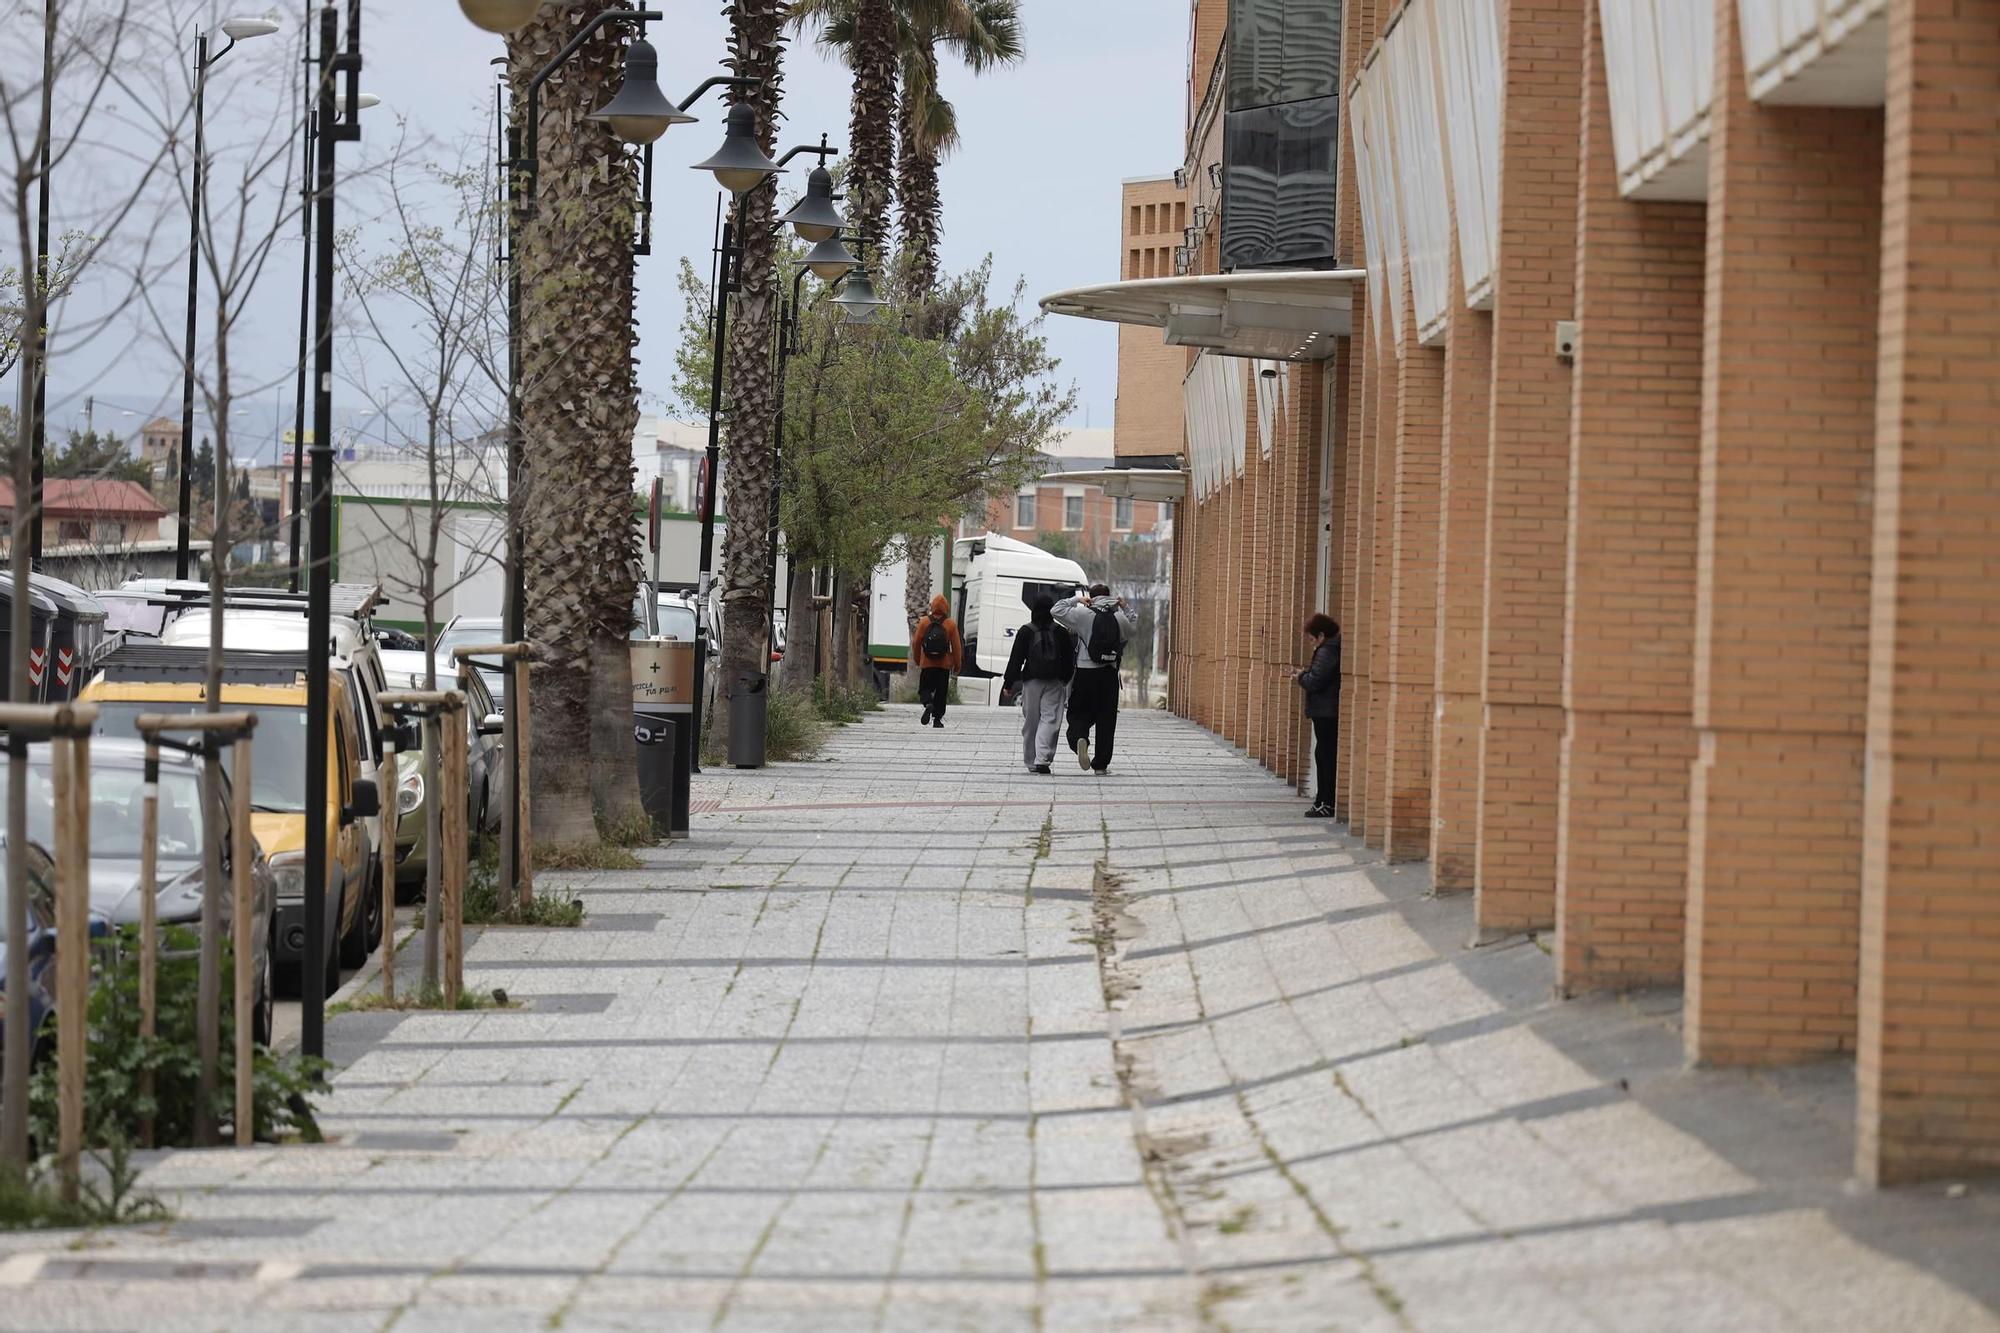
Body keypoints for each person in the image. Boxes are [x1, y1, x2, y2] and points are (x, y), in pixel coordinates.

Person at [1054, 583, 1138, 773]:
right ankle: (1101, 765)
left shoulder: (1083, 615)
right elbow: (1133, 628)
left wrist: (1077, 600)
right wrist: (1125, 607)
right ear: (1110, 597)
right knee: (1106, 720)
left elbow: (1056, 610)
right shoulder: (1118, 617)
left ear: (1091, 596)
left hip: (1085, 672)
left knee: (1077, 712)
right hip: (1109, 674)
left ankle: (1079, 739)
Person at [1002, 594, 1075, 774]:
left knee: (1031, 721)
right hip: (1054, 681)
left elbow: (1016, 659)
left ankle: (1031, 760)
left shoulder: (1026, 631)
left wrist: (1009, 682)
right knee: (1050, 719)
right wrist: (1064, 679)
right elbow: (1068, 659)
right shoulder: (1060, 632)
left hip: (1031, 681)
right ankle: (1043, 758)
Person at [1296, 613, 1341, 817]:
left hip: (1326, 712)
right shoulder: (1330, 649)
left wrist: (1301, 676)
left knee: (1325, 756)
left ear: (1321, 635)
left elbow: (1315, 681)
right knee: (1322, 754)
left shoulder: (1326, 651)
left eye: (1312, 639)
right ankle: (1322, 800)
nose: (1312, 644)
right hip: (1326, 710)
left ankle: (1326, 802)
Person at [909, 593, 962, 728]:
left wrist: (918, 659)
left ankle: (928, 704)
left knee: (924, 689)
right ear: (946, 607)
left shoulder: (924, 622)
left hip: (927, 663)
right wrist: (957, 665)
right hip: (944, 665)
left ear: (932, 606)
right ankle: (937, 719)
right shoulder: (950, 624)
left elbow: (916, 643)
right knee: (941, 692)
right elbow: (956, 647)